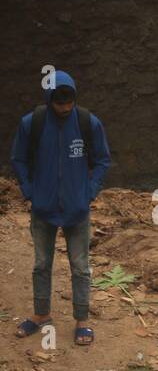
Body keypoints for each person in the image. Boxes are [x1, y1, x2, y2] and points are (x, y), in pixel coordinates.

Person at [10, 70, 111, 346]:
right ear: (49, 99)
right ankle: (41, 314)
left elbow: (103, 159)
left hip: (77, 211)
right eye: (59, 102)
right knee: (42, 264)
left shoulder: (88, 122)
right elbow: (18, 159)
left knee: (80, 267)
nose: (64, 107)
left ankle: (82, 321)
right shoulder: (33, 123)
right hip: (43, 209)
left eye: (69, 102)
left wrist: (88, 193)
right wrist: (30, 192)